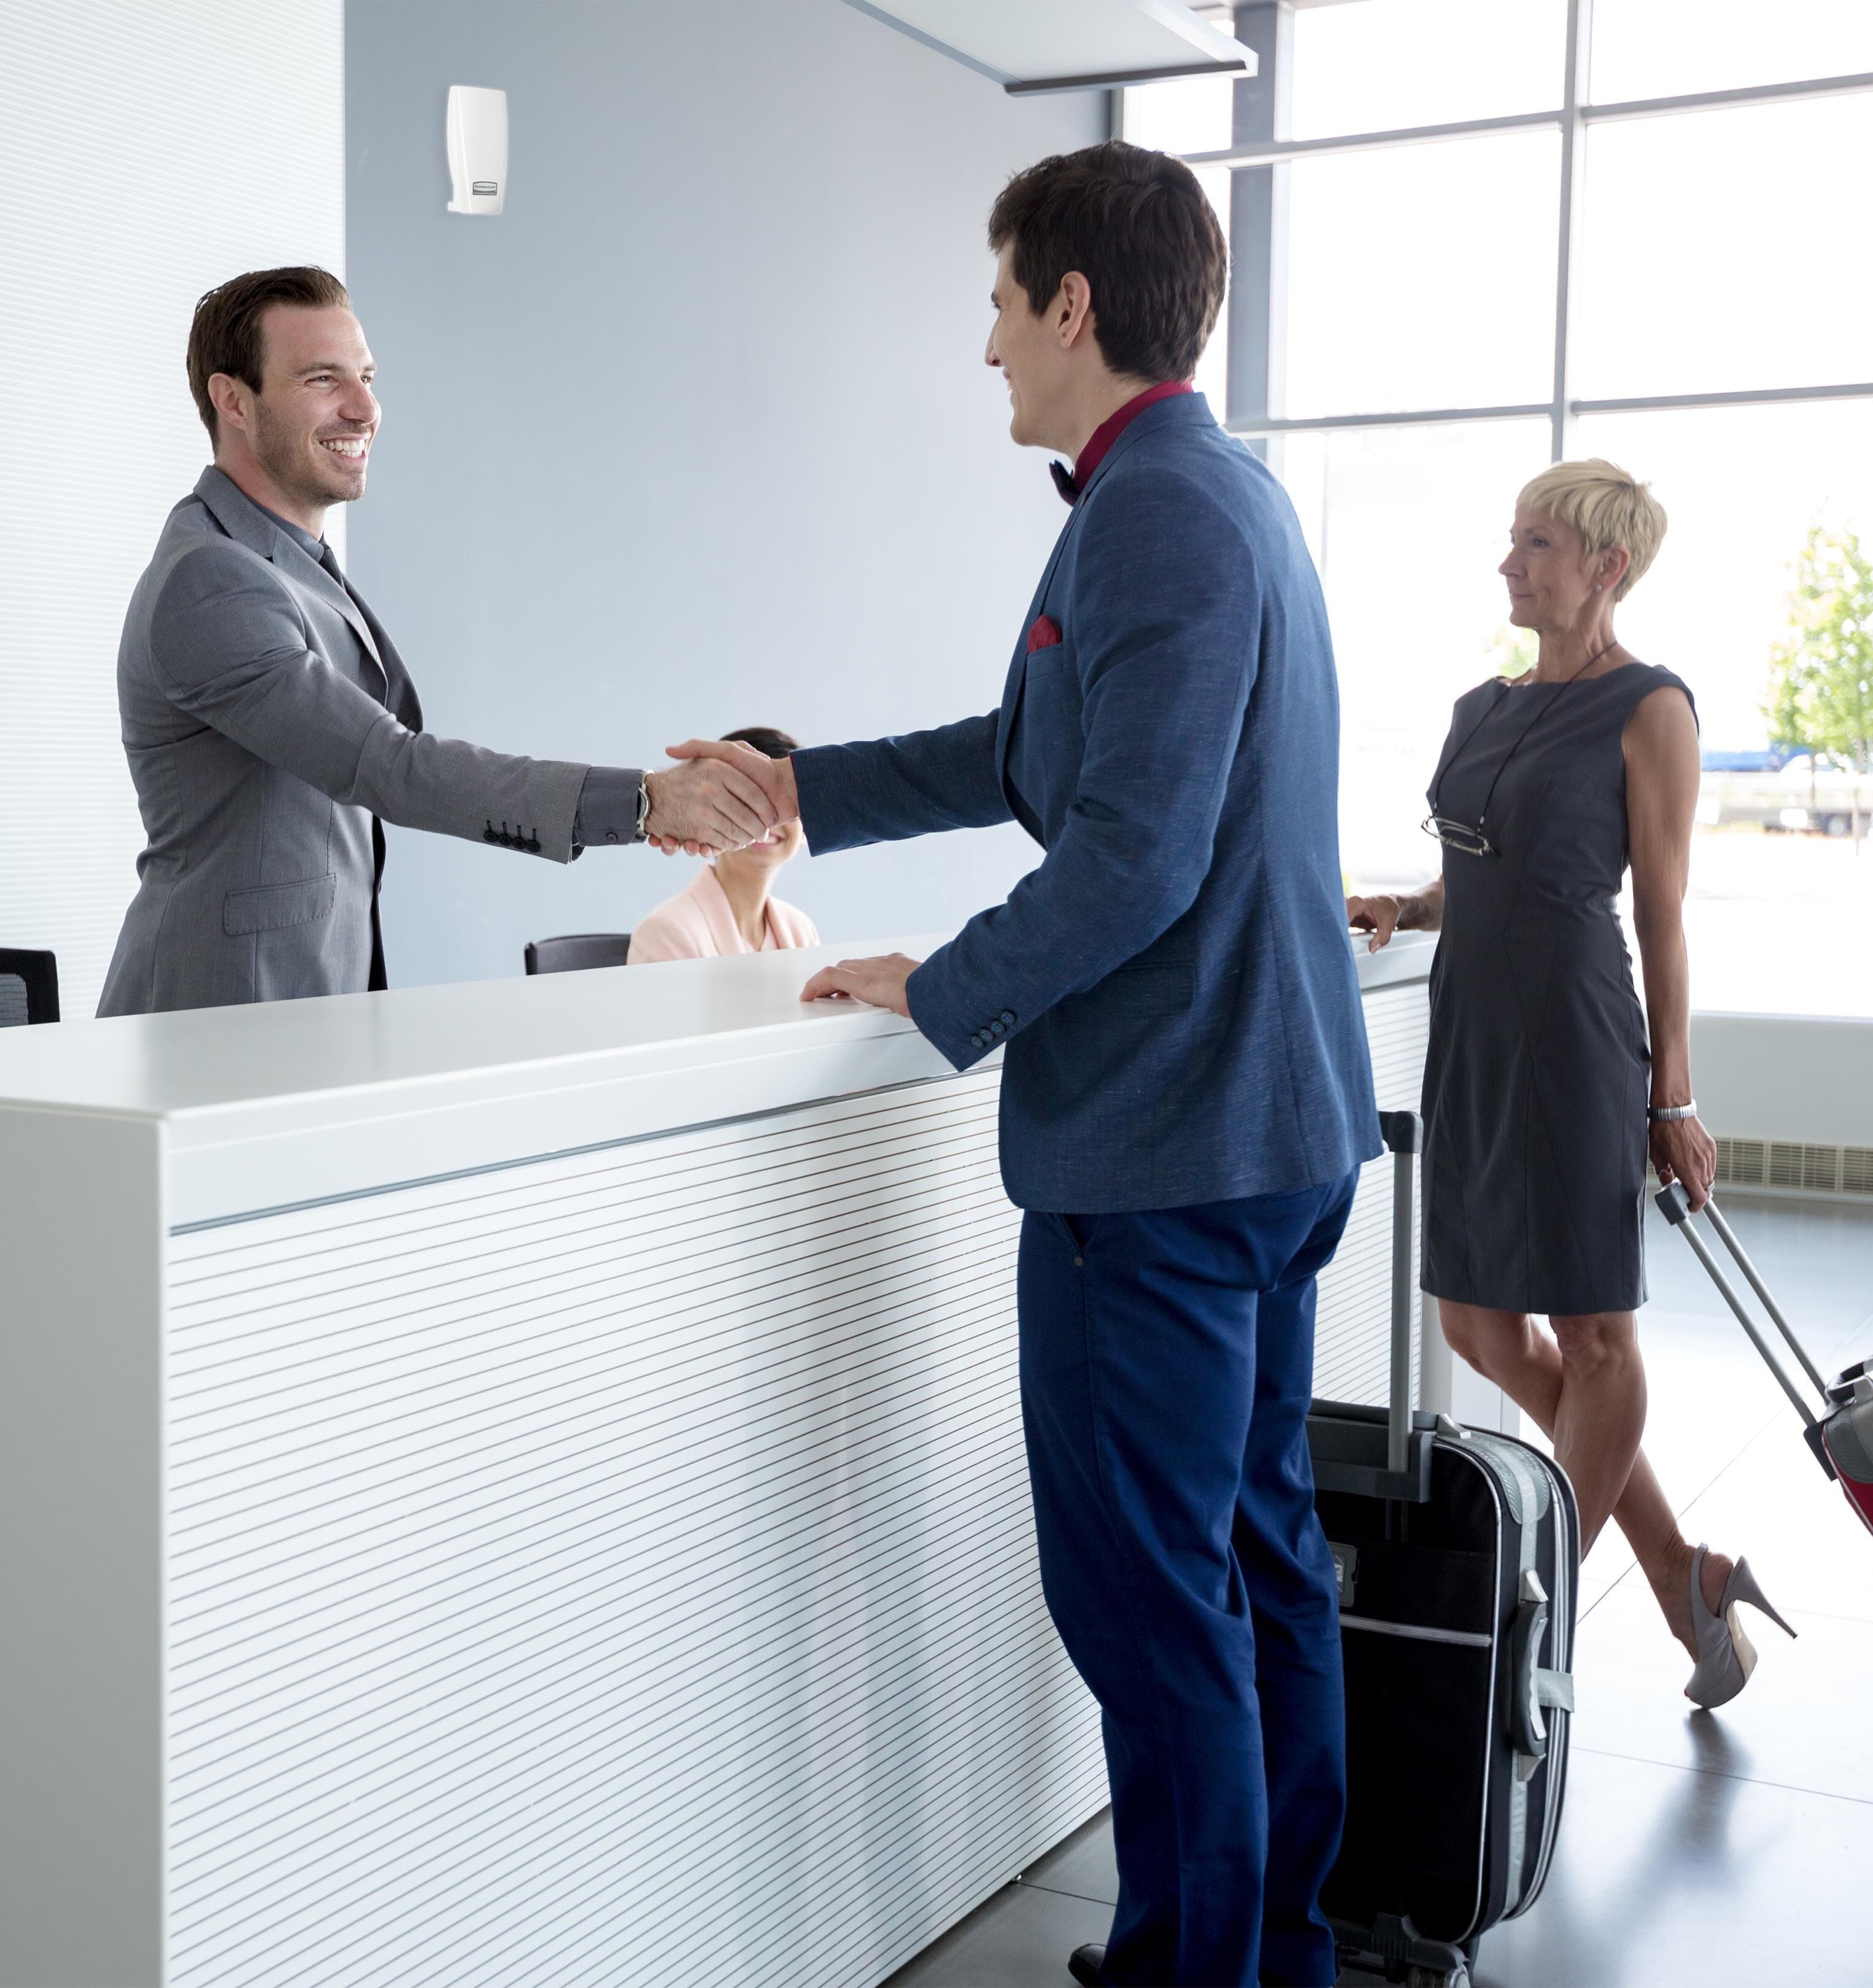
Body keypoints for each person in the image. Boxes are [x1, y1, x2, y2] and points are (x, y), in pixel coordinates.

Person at [678, 144, 1377, 1988]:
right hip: (1265, 1126)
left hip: (1163, 1151)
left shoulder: (1157, 515)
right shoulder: (1197, 496)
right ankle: (1261, 1944)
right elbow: (1023, 750)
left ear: (1073, 305)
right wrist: (803, 788)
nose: (986, 345)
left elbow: (1133, 856)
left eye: (1000, 303)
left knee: (1158, 1610)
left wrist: (938, 990)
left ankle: (1199, 1962)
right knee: (1260, 1562)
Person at [1346, 459, 1795, 1709]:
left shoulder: (1652, 709)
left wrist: (1675, 1098)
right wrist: (1408, 902)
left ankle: (1532, 1623)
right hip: (1473, 1034)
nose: (1509, 563)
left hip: (1581, 1040)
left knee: (1596, 1336)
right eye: (1511, 539)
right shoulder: (1479, 708)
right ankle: (1682, 1575)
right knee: (1478, 1327)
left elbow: (1659, 914)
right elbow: (1475, 874)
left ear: (1608, 566)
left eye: (1536, 543)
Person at [98, 267, 774, 1015]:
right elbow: (386, 764)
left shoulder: (290, 563)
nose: (365, 409)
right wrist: (643, 802)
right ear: (233, 400)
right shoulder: (212, 582)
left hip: (304, 1011)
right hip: (214, 1017)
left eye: (367, 377)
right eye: (324, 380)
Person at [626, 728, 821, 963]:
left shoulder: (802, 930)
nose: (767, 821)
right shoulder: (666, 933)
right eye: (746, 800)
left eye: (788, 804)